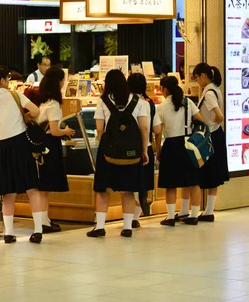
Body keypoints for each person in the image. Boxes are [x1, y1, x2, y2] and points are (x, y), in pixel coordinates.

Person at [0, 65, 45, 244]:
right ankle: (38, 230)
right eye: (7, 79)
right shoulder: (14, 95)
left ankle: (8, 233)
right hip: (22, 144)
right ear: (2, 80)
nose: (9, 82)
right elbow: (36, 111)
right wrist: (21, 116)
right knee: (32, 188)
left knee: (8, 192)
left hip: (3, 148)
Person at [88, 69, 150, 238]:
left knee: (102, 190)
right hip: (131, 154)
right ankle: (128, 227)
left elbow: (100, 129)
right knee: (128, 190)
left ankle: (100, 227)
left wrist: (106, 146)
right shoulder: (139, 101)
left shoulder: (103, 101)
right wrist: (144, 150)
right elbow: (144, 127)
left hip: (108, 152)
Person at [155, 76, 206, 226]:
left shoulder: (162, 107)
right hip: (188, 143)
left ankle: (170, 217)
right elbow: (201, 120)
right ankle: (194, 215)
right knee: (193, 181)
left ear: (165, 89)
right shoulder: (188, 102)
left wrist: (158, 150)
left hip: (171, 145)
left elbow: (158, 131)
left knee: (170, 183)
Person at [187, 63, 229, 223]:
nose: (196, 80)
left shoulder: (209, 93)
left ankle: (208, 211)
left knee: (207, 172)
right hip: (216, 135)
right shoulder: (215, 89)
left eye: (196, 77)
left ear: (203, 75)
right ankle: (209, 210)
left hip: (211, 136)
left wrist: (208, 125)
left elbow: (219, 115)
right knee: (214, 174)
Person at [36, 66, 75, 233]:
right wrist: (66, 131)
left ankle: (44, 219)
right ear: (58, 82)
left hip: (40, 146)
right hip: (49, 146)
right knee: (45, 186)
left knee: (42, 186)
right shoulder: (54, 104)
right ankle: (43, 221)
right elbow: (54, 130)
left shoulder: (42, 101)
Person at [127, 73, 157, 228]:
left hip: (129, 148)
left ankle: (129, 217)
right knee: (142, 183)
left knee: (130, 183)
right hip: (147, 147)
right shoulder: (148, 103)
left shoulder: (124, 102)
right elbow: (154, 128)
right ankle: (135, 217)